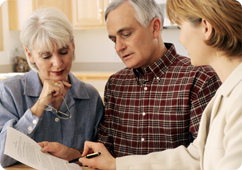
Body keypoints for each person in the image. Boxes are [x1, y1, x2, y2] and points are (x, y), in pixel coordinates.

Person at [39, 0, 242, 169]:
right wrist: (71, 154)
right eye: (113, 39)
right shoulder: (115, 84)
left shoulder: (201, 78)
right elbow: (105, 156)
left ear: (155, 27)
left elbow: (200, 158)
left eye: (126, 34)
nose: (119, 47)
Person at [0, 7, 104, 167]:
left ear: (73, 45)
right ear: (29, 55)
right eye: (46, 56)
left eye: (63, 52)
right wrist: (39, 106)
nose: (57, 63)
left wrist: (71, 154)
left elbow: (102, 157)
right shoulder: (9, 92)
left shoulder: (91, 97)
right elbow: (2, 157)